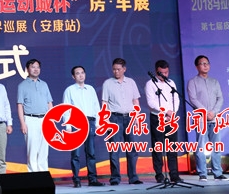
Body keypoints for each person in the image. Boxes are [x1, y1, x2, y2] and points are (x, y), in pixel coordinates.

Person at [187, 55, 229, 182]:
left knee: (216, 146)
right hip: (201, 119)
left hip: (214, 118)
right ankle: (202, 173)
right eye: (202, 63)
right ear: (197, 67)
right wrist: (205, 112)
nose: (205, 66)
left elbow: (220, 98)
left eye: (207, 63)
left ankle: (218, 173)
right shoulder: (193, 82)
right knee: (201, 147)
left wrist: (214, 112)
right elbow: (193, 99)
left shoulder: (214, 82)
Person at [101, 57, 143, 185]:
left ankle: (133, 177)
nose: (116, 72)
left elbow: (135, 101)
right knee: (114, 149)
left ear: (124, 69)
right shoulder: (107, 83)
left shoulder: (131, 82)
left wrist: (137, 118)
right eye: (114, 69)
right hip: (114, 118)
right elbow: (104, 103)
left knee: (132, 148)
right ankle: (115, 178)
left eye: (118, 69)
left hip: (130, 117)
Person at [62, 66, 104, 187]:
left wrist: (98, 123)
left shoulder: (90, 89)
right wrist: (68, 126)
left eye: (82, 73)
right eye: (77, 73)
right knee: (76, 154)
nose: (80, 75)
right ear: (73, 76)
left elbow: (96, 107)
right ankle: (76, 179)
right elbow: (66, 109)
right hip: (76, 123)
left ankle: (92, 179)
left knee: (91, 153)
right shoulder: (69, 90)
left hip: (90, 122)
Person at [144, 60, 183, 184]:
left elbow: (176, 99)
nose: (165, 75)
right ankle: (159, 174)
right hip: (157, 118)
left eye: (166, 72)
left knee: (172, 147)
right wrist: (166, 111)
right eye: (162, 73)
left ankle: (174, 174)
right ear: (157, 71)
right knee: (158, 147)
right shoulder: (150, 84)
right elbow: (151, 102)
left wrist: (173, 112)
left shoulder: (171, 83)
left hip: (171, 118)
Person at [16, 58, 53, 172]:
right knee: (32, 149)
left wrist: (51, 120)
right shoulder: (22, 85)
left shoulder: (44, 84)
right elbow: (20, 105)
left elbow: (49, 103)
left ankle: (43, 173)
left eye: (37, 67)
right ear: (27, 69)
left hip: (45, 119)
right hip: (30, 119)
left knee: (44, 149)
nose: (36, 69)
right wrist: (22, 123)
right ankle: (33, 174)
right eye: (33, 67)